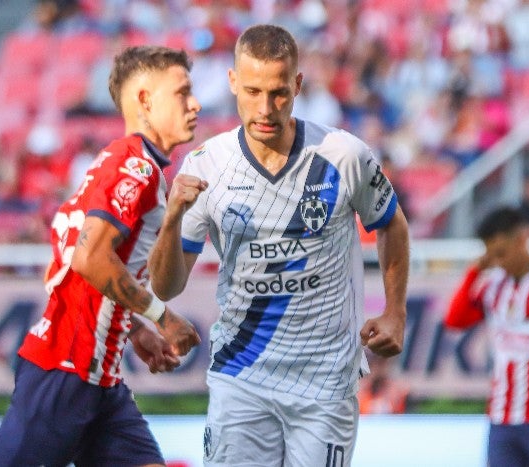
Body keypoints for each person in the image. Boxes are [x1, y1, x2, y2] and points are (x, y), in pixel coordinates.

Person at [148, 24, 410, 466]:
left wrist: (395, 312)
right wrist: (172, 220)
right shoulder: (206, 165)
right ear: (232, 82)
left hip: (325, 380)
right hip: (241, 375)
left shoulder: (343, 155)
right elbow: (167, 286)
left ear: (298, 85)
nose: (265, 108)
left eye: (279, 93)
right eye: (252, 91)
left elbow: (393, 225)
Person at [0, 45, 202, 467]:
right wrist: (163, 316)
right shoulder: (133, 166)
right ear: (144, 99)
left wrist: (135, 328)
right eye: (182, 92)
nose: (194, 104)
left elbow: (80, 260)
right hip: (63, 371)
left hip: (99, 378)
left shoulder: (127, 163)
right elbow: (90, 258)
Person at [444, 206, 529, 467]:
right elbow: (455, 319)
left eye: (501, 253)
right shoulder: (494, 284)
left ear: (521, 239)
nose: (498, 262)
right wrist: (475, 271)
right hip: (502, 417)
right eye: (492, 256)